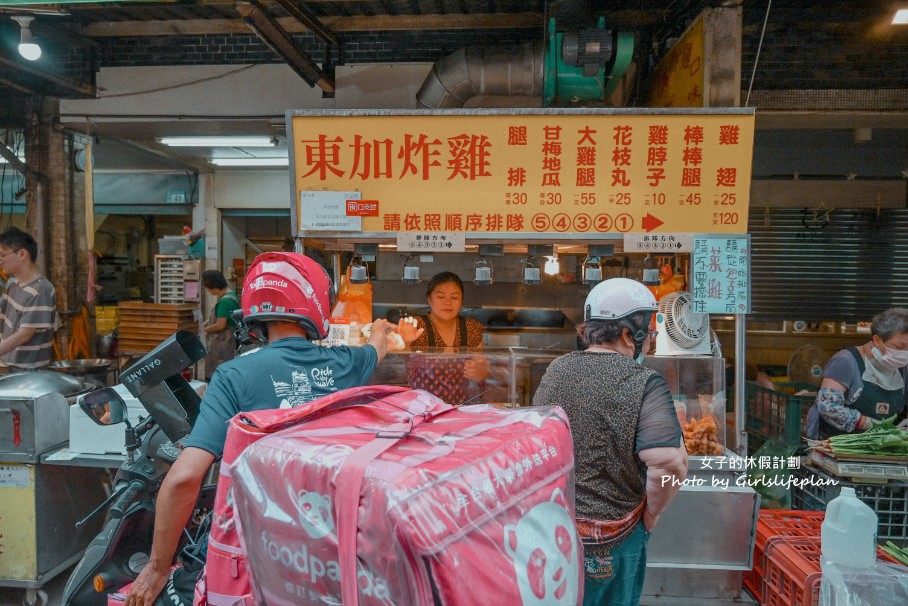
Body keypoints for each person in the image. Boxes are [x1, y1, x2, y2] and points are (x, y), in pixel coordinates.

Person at [123, 252, 417, 606]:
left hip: (259, 553)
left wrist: (156, 569)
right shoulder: (346, 364)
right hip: (332, 543)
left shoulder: (234, 376)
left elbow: (186, 478)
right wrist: (382, 329)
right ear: (315, 303)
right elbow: (377, 346)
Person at [532, 277, 688, 606]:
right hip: (616, 538)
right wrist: (653, 512)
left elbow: (537, 441)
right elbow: (668, 462)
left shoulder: (556, 369)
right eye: (651, 330)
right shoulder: (644, 381)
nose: (653, 339)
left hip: (556, 531)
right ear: (630, 334)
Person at [806, 308, 908, 440]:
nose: (905, 353)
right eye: (899, 347)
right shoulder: (845, 361)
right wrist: (866, 422)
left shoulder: (903, 367)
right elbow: (828, 406)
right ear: (877, 340)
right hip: (836, 443)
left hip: (879, 444)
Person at [397, 271, 489, 403]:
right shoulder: (415, 326)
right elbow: (401, 363)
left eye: (454, 297)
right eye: (440, 297)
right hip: (422, 408)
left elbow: (483, 367)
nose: (447, 303)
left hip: (461, 408)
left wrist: (478, 371)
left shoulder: (471, 328)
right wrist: (405, 343)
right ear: (429, 299)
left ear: (461, 300)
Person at [0, 227, 57, 370]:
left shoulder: (41, 290)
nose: (0, 260)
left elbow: (24, 335)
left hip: (27, 372)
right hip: (7, 365)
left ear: (22, 254)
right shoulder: (12, 283)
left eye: (3, 255)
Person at [201, 269, 240, 380]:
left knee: (217, 375)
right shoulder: (231, 295)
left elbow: (220, 325)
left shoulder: (224, 302)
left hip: (222, 343)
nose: (207, 290)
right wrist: (204, 325)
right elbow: (215, 318)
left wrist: (203, 330)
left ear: (212, 285)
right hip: (228, 341)